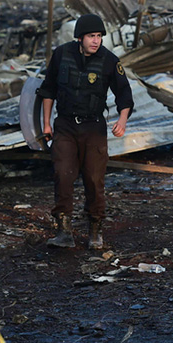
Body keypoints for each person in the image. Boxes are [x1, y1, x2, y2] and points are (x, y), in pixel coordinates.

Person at [38, 14, 133, 250]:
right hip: (66, 125)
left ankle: (95, 230)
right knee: (63, 174)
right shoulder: (62, 54)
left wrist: (122, 121)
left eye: (99, 36)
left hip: (94, 128)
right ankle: (64, 231)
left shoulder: (109, 61)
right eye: (91, 36)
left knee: (94, 179)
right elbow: (48, 90)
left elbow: (125, 94)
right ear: (80, 37)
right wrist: (46, 124)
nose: (96, 41)